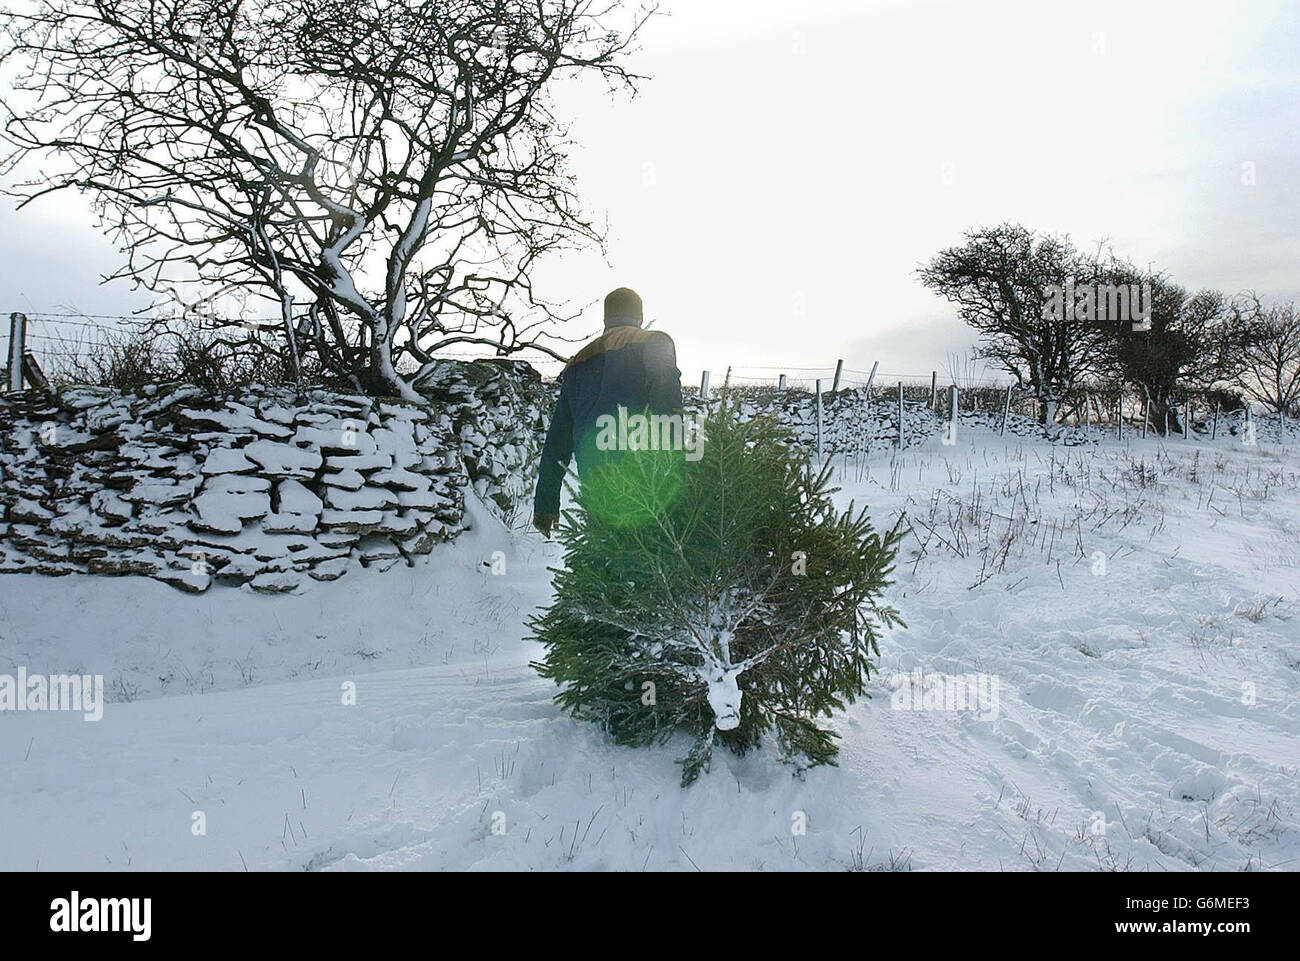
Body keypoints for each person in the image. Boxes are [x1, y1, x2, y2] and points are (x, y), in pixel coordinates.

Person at [532, 287, 683, 537]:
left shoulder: (578, 362)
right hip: (645, 473)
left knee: (605, 553)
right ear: (640, 316)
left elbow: (557, 440)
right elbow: (667, 396)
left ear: (605, 318)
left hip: (595, 477)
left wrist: (545, 506)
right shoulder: (655, 342)